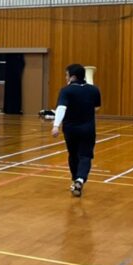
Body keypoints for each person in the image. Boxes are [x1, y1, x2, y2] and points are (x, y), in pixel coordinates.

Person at [51, 63, 102, 197]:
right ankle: (80, 179)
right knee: (85, 155)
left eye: (66, 75)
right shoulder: (94, 90)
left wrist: (56, 125)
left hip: (70, 129)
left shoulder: (66, 91)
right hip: (88, 129)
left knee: (73, 155)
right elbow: (96, 108)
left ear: (72, 77)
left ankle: (75, 180)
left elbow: (61, 108)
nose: (65, 78)